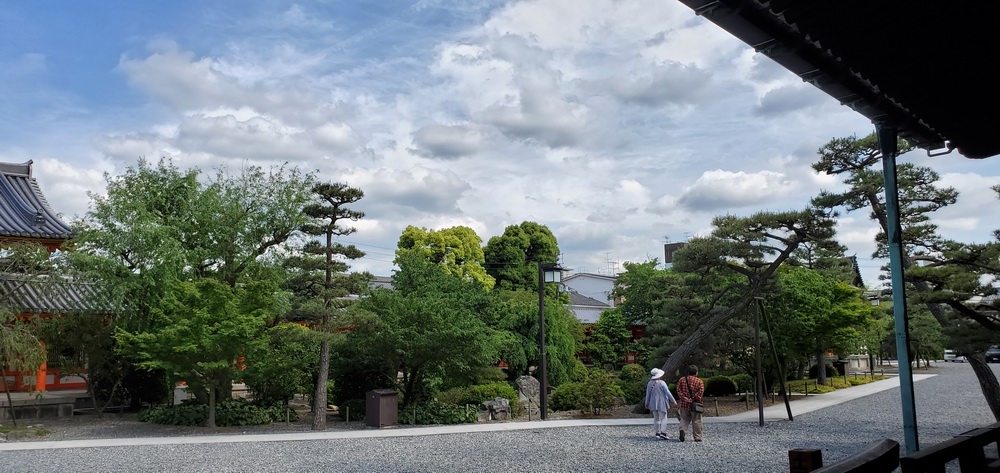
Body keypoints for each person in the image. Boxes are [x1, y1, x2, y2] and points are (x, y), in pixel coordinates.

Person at [644, 368, 676, 440]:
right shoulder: (662, 383)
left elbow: (648, 394)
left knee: (656, 418)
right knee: (663, 418)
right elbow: (668, 392)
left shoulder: (649, 383)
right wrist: (673, 401)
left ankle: (657, 432)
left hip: (653, 402)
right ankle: (663, 433)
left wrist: (646, 403)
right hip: (661, 402)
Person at [676, 365, 704, 442]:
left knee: (684, 418)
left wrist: (685, 398)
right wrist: (692, 399)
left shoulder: (682, 380)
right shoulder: (699, 381)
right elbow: (700, 392)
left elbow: (678, 390)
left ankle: (682, 430)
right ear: (696, 372)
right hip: (695, 405)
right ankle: (697, 437)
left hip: (684, 404)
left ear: (688, 372)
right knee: (696, 420)